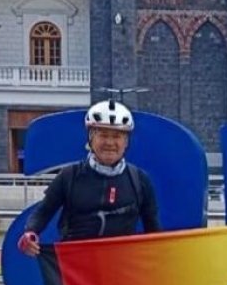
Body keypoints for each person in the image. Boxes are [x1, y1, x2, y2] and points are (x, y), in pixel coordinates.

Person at [18, 99, 160, 257]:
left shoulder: (140, 180)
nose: (110, 142)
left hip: (121, 267)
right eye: (103, 135)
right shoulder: (68, 176)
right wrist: (30, 232)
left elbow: (152, 227)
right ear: (91, 138)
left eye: (117, 136)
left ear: (126, 142)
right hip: (77, 268)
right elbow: (43, 212)